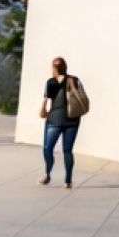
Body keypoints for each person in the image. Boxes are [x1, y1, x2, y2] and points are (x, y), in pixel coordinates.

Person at [40, 56, 82, 188]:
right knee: (67, 151)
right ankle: (68, 181)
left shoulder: (51, 82)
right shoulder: (74, 80)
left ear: (55, 69)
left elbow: (47, 100)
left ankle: (47, 174)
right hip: (73, 119)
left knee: (47, 148)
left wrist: (43, 111)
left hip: (54, 120)